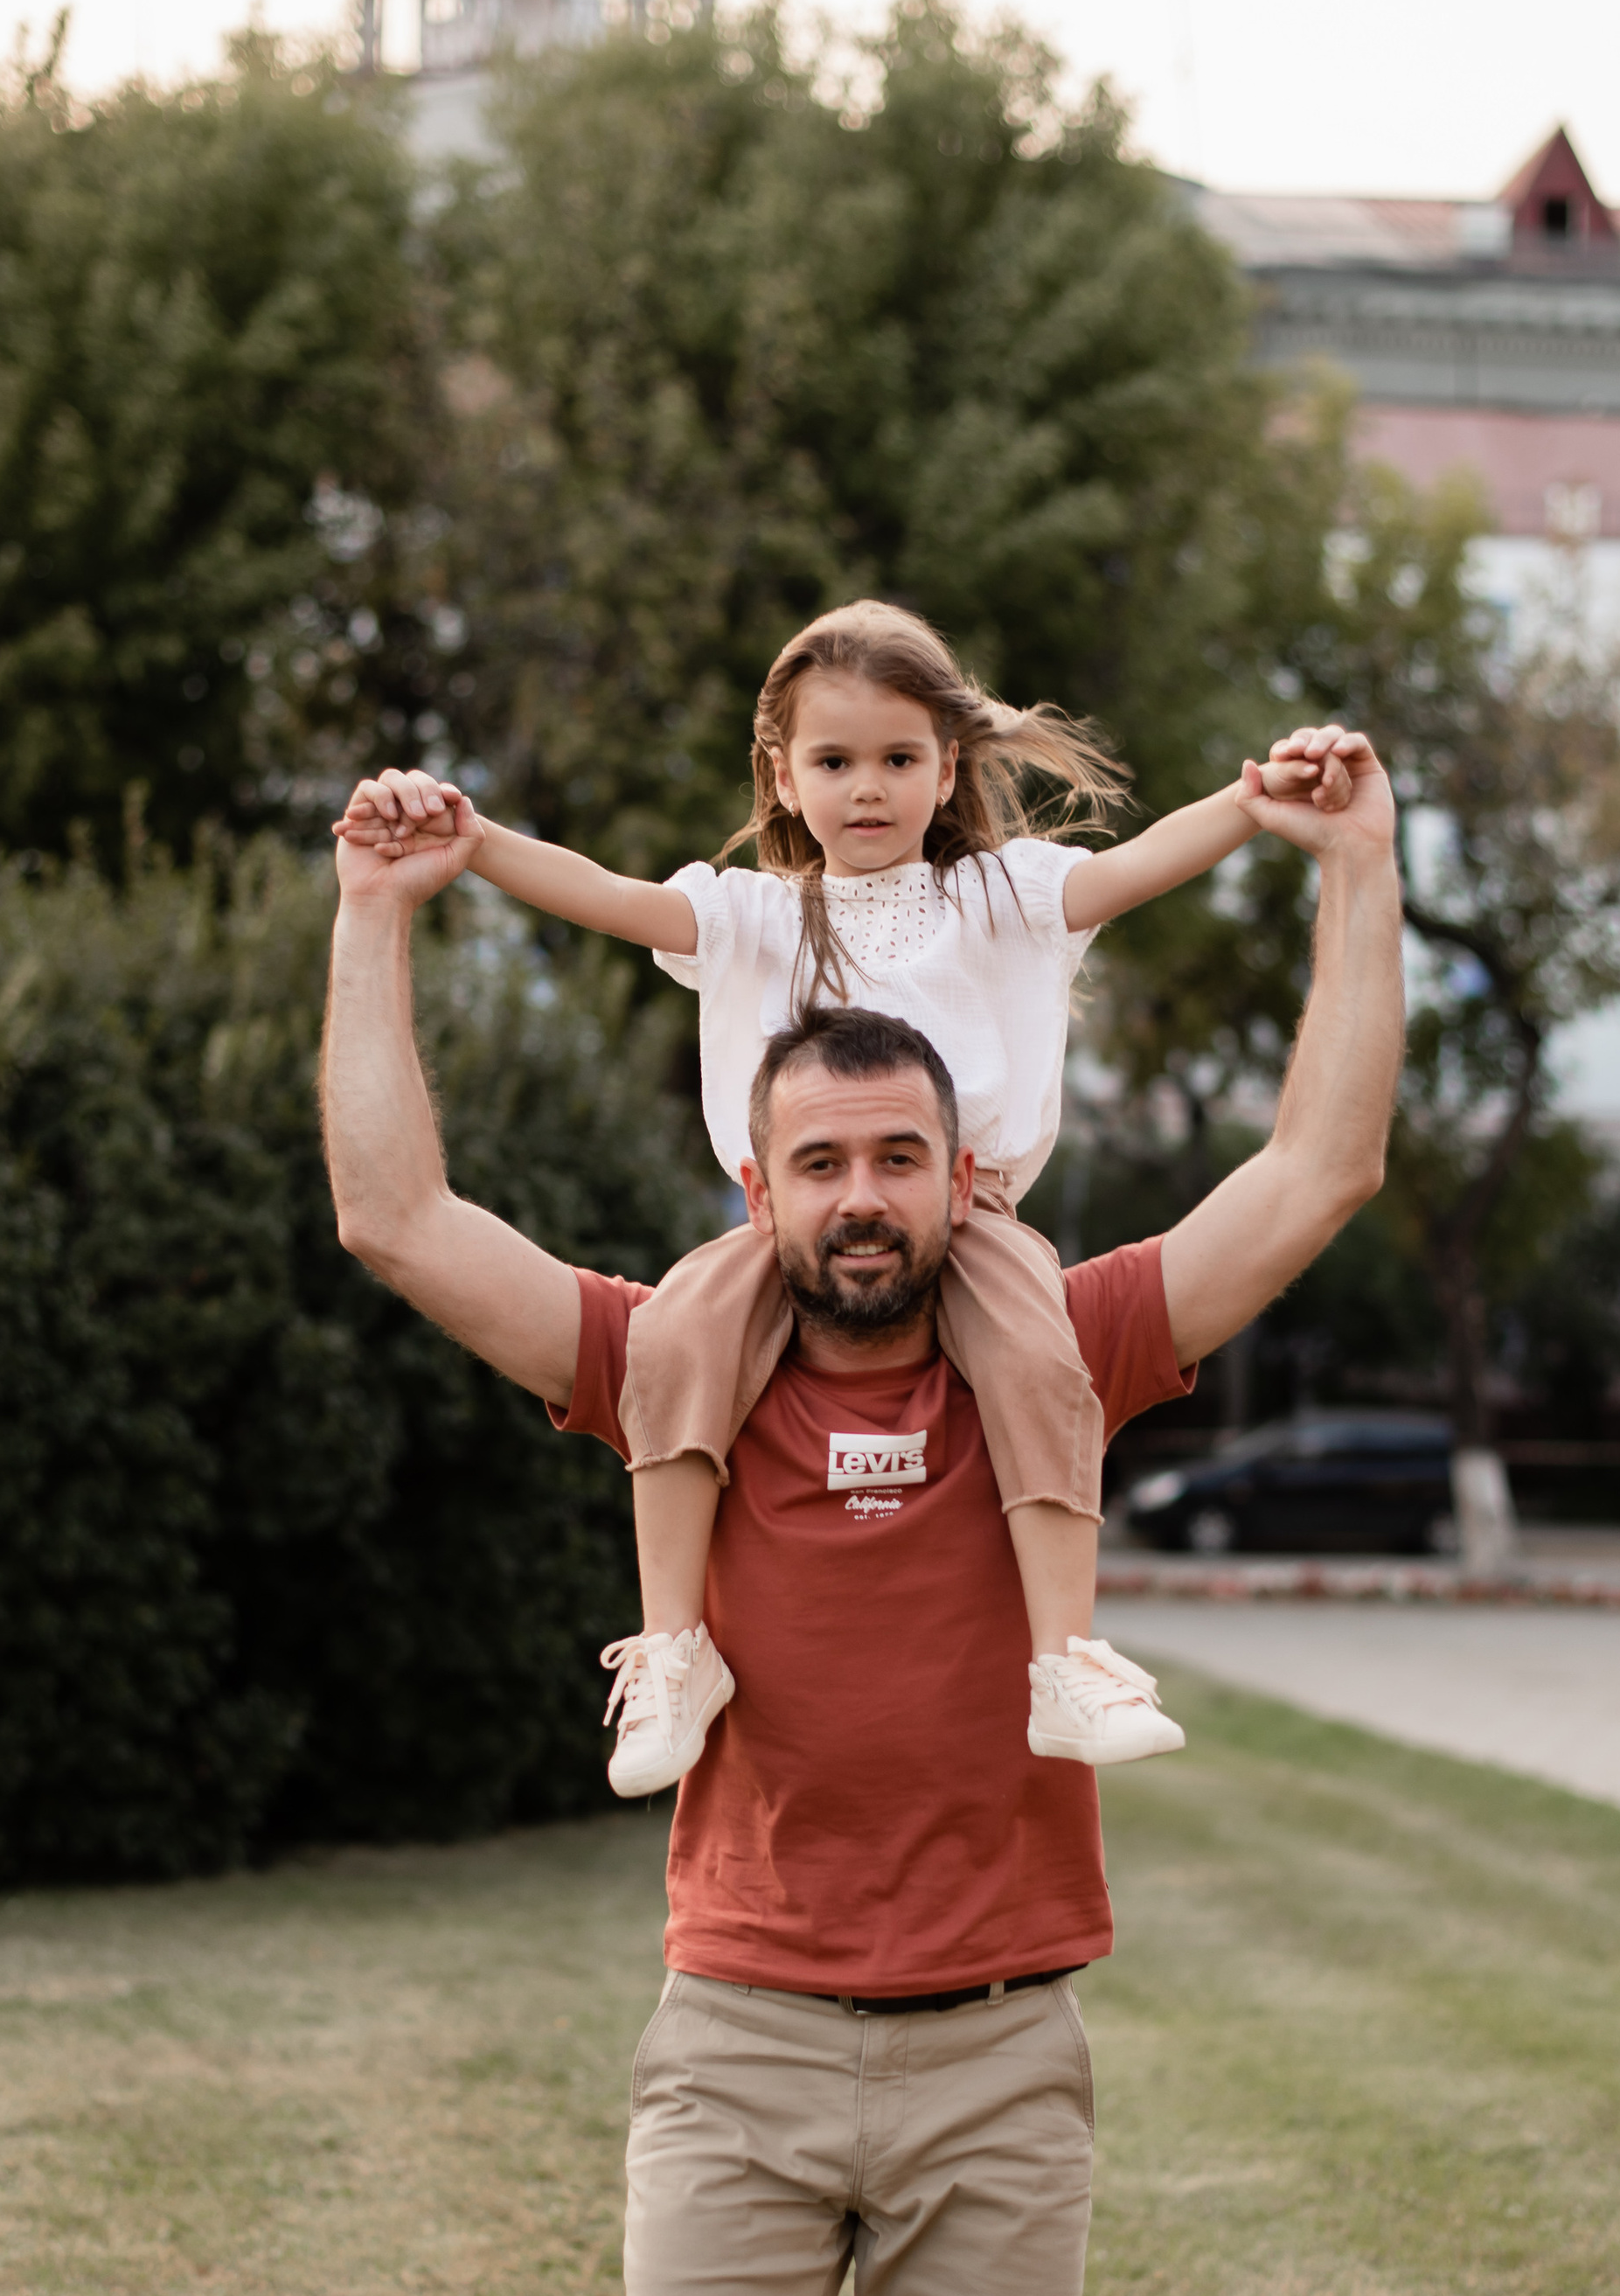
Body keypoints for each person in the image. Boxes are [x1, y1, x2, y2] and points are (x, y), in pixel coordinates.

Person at [320, 726, 1402, 2296]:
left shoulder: (1074, 1341)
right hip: (744, 2024)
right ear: (761, 1178)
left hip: (1003, 2039)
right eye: (821, 1162)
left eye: (902, 1155)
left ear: (964, 1168)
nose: (864, 1197)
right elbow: (404, 1223)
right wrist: (378, 912)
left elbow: (1322, 1164)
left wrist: (1354, 869)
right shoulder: (668, 1363)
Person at [335, 600, 1339, 1800]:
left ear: (948, 765)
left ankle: (1067, 1656)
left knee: (1037, 1358)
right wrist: (472, 839)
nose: (869, 789)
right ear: (783, 773)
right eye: (835, 761)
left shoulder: (1003, 898)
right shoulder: (751, 915)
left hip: (977, 1225)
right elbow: (603, 894)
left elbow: (1137, 865)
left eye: (900, 759)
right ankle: (669, 1648)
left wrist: (1255, 803)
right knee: (674, 1343)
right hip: (780, 1235)